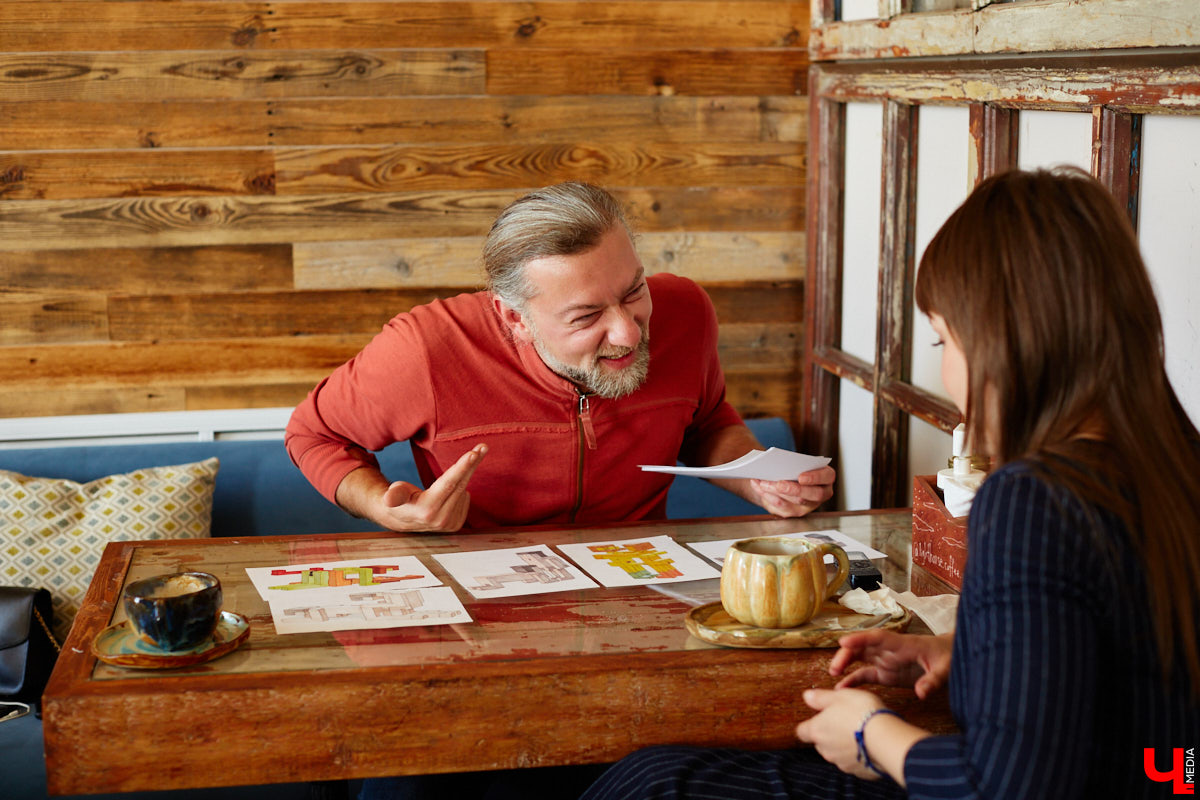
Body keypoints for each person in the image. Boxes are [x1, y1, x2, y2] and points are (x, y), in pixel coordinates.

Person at [579, 167, 1200, 800]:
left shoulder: (1033, 500)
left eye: (944, 337)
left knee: (652, 784)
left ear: (1009, 342)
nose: (943, 363)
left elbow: (1011, 786)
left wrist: (871, 735)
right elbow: (1146, 697)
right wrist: (971, 656)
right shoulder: (1175, 458)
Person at [286, 181, 835, 533]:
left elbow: (707, 422)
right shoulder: (425, 349)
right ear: (513, 317)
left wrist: (758, 479)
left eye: (633, 291)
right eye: (585, 316)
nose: (626, 333)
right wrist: (381, 504)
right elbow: (314, 434)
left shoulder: (686, 311)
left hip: (638, 584)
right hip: (480, 595)